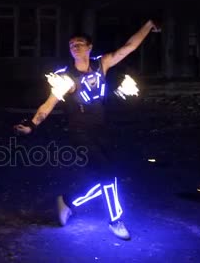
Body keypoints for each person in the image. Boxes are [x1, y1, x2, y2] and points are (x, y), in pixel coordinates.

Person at [14, 20, 161, 240]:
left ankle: (69, 201)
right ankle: (115, 220)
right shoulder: (66, 77)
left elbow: (129, 47)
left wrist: (148, 26)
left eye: (80, 43)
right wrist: (32, 124)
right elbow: (49, 104)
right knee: (108, 174)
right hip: (80, 133)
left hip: (102, 129)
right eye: (72, 44)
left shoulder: (102, 64)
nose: (75, 46)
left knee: (107, 177)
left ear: (90, 47)